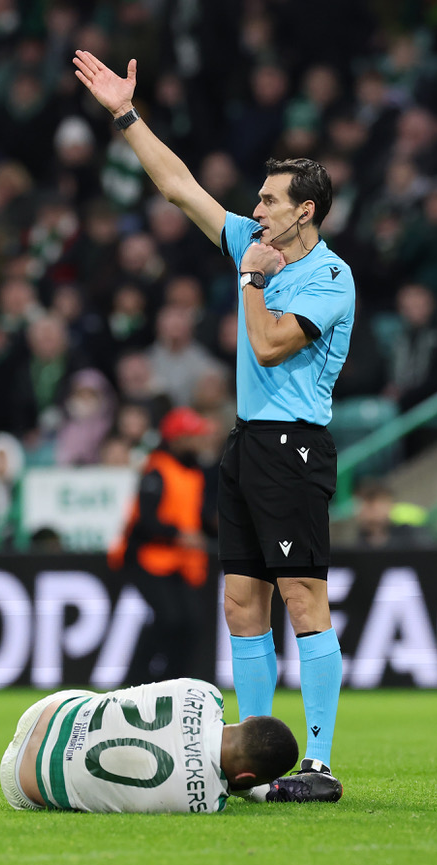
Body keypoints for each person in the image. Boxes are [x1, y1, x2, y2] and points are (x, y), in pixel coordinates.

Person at [75, 49, 355, 803]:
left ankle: (319, 763)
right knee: (241, 601)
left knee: (303, 598)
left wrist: (254, 276)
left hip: (295, 445)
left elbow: (267, 342)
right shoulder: (251, 246)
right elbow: (178, 186)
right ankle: (256, 759)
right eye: (257, 199)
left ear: (306, 210)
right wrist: (126, 116)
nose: (255, 208)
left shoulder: (329, 278)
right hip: (247, 444)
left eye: (269, 200)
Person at [0, 678, 300, 813]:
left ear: (247, 719)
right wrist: (267, 792)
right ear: (246, 778)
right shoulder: (206, 802)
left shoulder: (205, 693)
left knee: (116, 700)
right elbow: (229, 783)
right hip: (20, 782)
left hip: (48, 712)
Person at [110, 407, 216, 683]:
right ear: (178, 438)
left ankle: (175, 683)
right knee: (169, 618)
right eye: (193, 436)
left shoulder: (193, 473)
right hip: (147, 558)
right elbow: (145, 522)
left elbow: (197, 516)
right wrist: (179, 534)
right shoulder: (156, 470)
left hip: (177, 562)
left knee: (191, 622)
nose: (199, 442)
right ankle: (135, 680)